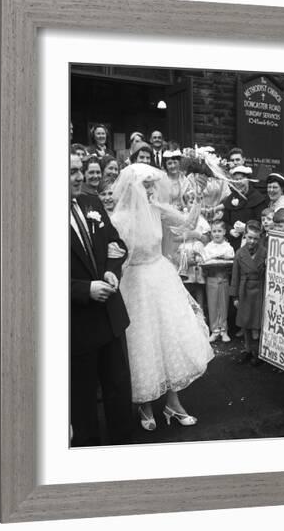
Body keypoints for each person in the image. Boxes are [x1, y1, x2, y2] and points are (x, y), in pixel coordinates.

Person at [111, 163, 214, 431]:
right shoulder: (119, 218)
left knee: (170, 337)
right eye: (144, 184)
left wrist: (198, 199)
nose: (149, 189)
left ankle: (173, 402)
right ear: (131, 186)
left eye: (151, 184)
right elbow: (116, 256)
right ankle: (145, 403)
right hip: (135, 282)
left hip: (161, 277)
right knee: (143, 342)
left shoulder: (157, 209)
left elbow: (187, 224)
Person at [69, 155, 133, 446]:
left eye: (79, 170)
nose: (79, 177)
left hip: (110, 317)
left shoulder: (92, 204)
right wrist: (84, 289)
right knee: (82, 402)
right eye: (71, 171)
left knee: (119, 390)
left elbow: (116, 244)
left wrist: (111, 269)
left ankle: (123, 448)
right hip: (76, 325)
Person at [230, 221, 267, 366]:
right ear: (245, 236)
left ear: (260, 237)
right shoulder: (239, 253)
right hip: (244, 291)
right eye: (249, 237)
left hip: (259, 291)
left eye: (255, 238)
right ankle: (247, 350)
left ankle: (258, 353)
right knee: (245, 323)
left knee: (256, 325)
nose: (252, 241)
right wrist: (235, 296)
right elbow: (235, 275)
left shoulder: (265, 253)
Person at [202, 220, 235, 343]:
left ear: (224, 232)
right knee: (213, 305)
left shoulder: (228, 247)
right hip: (211, 278)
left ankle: (224, 330)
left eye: (219, 231)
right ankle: (215, 330)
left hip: (224, 278)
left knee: (223, 304)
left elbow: (230, 257)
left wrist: (217, 257)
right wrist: (218, 256)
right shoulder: (208, 247)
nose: (216, 234)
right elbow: (205, 259)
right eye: (214, 231)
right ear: (211, 233)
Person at [221, 165, 268, 251]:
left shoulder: (257, 198)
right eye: (236, 180)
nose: (238, 183)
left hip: (253, 244)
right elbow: (225, 222)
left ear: (248, 180)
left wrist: (246, 228)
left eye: (241, 179)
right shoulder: (230, 198)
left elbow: (262, 223)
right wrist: (230, 230)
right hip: (233, 244)